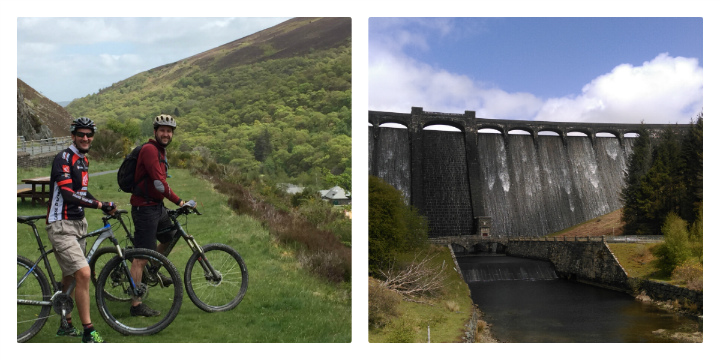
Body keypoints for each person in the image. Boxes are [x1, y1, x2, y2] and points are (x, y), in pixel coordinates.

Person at [46, 117, 115, 343]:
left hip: (78, 224)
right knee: (84, 273)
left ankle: (65, 324)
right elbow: (67, 194)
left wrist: (104, 203)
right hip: (61, 225)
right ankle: (88, 331)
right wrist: (97, 205)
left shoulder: (83, 160)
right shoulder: (63, 158)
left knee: (72, 277)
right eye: (81, 134)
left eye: (89, 134)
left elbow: (82, 193)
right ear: (73, 136)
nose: (85, 138)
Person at [129, 114, 193, 316]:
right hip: (144, 209)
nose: (166, 134)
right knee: (140, 257)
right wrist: (180, 202)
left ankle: (152, 269)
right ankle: (136, 304)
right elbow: (158, 183)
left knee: (171, 234)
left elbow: (159, 183)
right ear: (155, 131)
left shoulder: (161, 151)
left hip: (156, 207)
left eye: (169, 131)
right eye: (162, 130)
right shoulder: (149, 150)